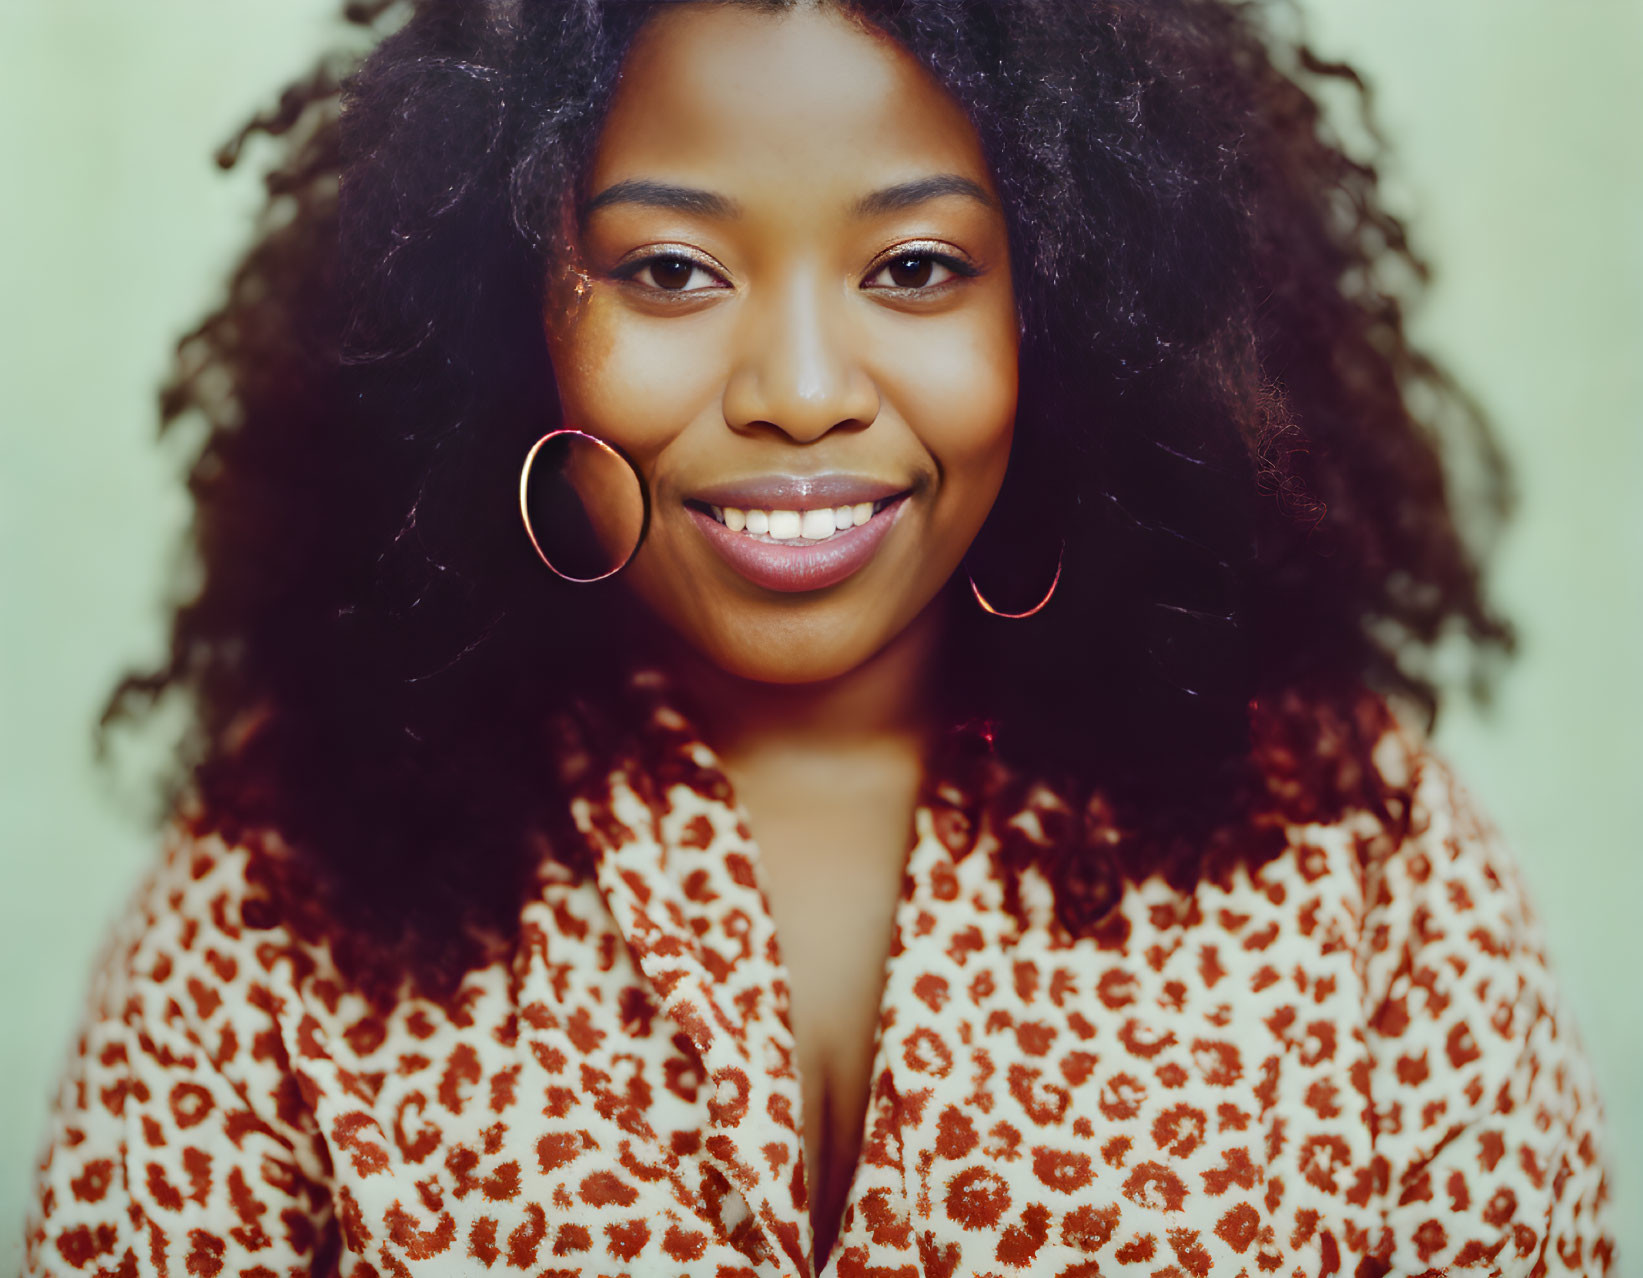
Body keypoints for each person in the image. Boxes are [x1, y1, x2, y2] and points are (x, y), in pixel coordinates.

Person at [22, 0, 1613, 1274]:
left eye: (916, 266)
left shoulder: (1351, 845)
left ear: (1061, 303)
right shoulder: (285, 879)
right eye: (669, 267)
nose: (796, 384)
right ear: (520, 306)